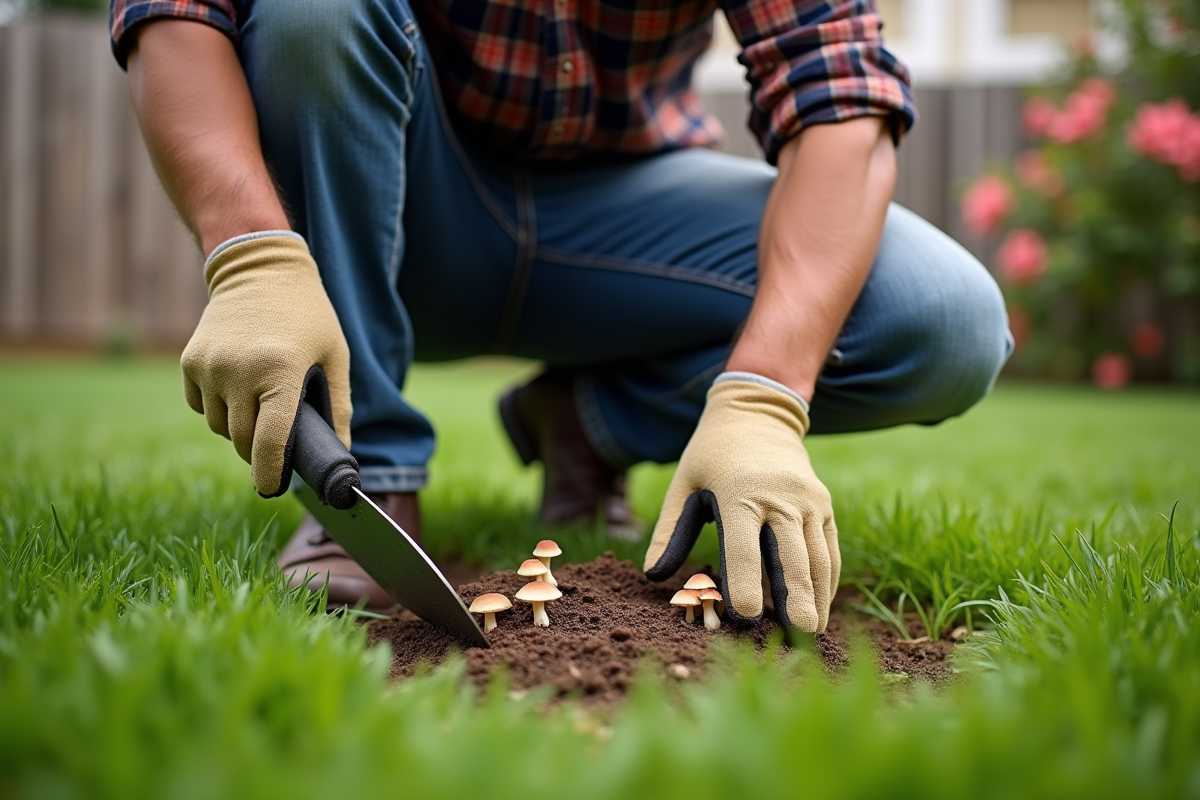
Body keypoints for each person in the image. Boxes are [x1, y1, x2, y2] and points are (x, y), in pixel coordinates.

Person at [111, 0, 1010, 633]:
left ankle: (584, 425)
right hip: (399, 207)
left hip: (625, 232)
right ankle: (366, 479)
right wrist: (252, 254)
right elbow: (179, 8)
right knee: (313, 13)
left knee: (941, 318)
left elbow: (836, 84)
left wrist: (764, 396)